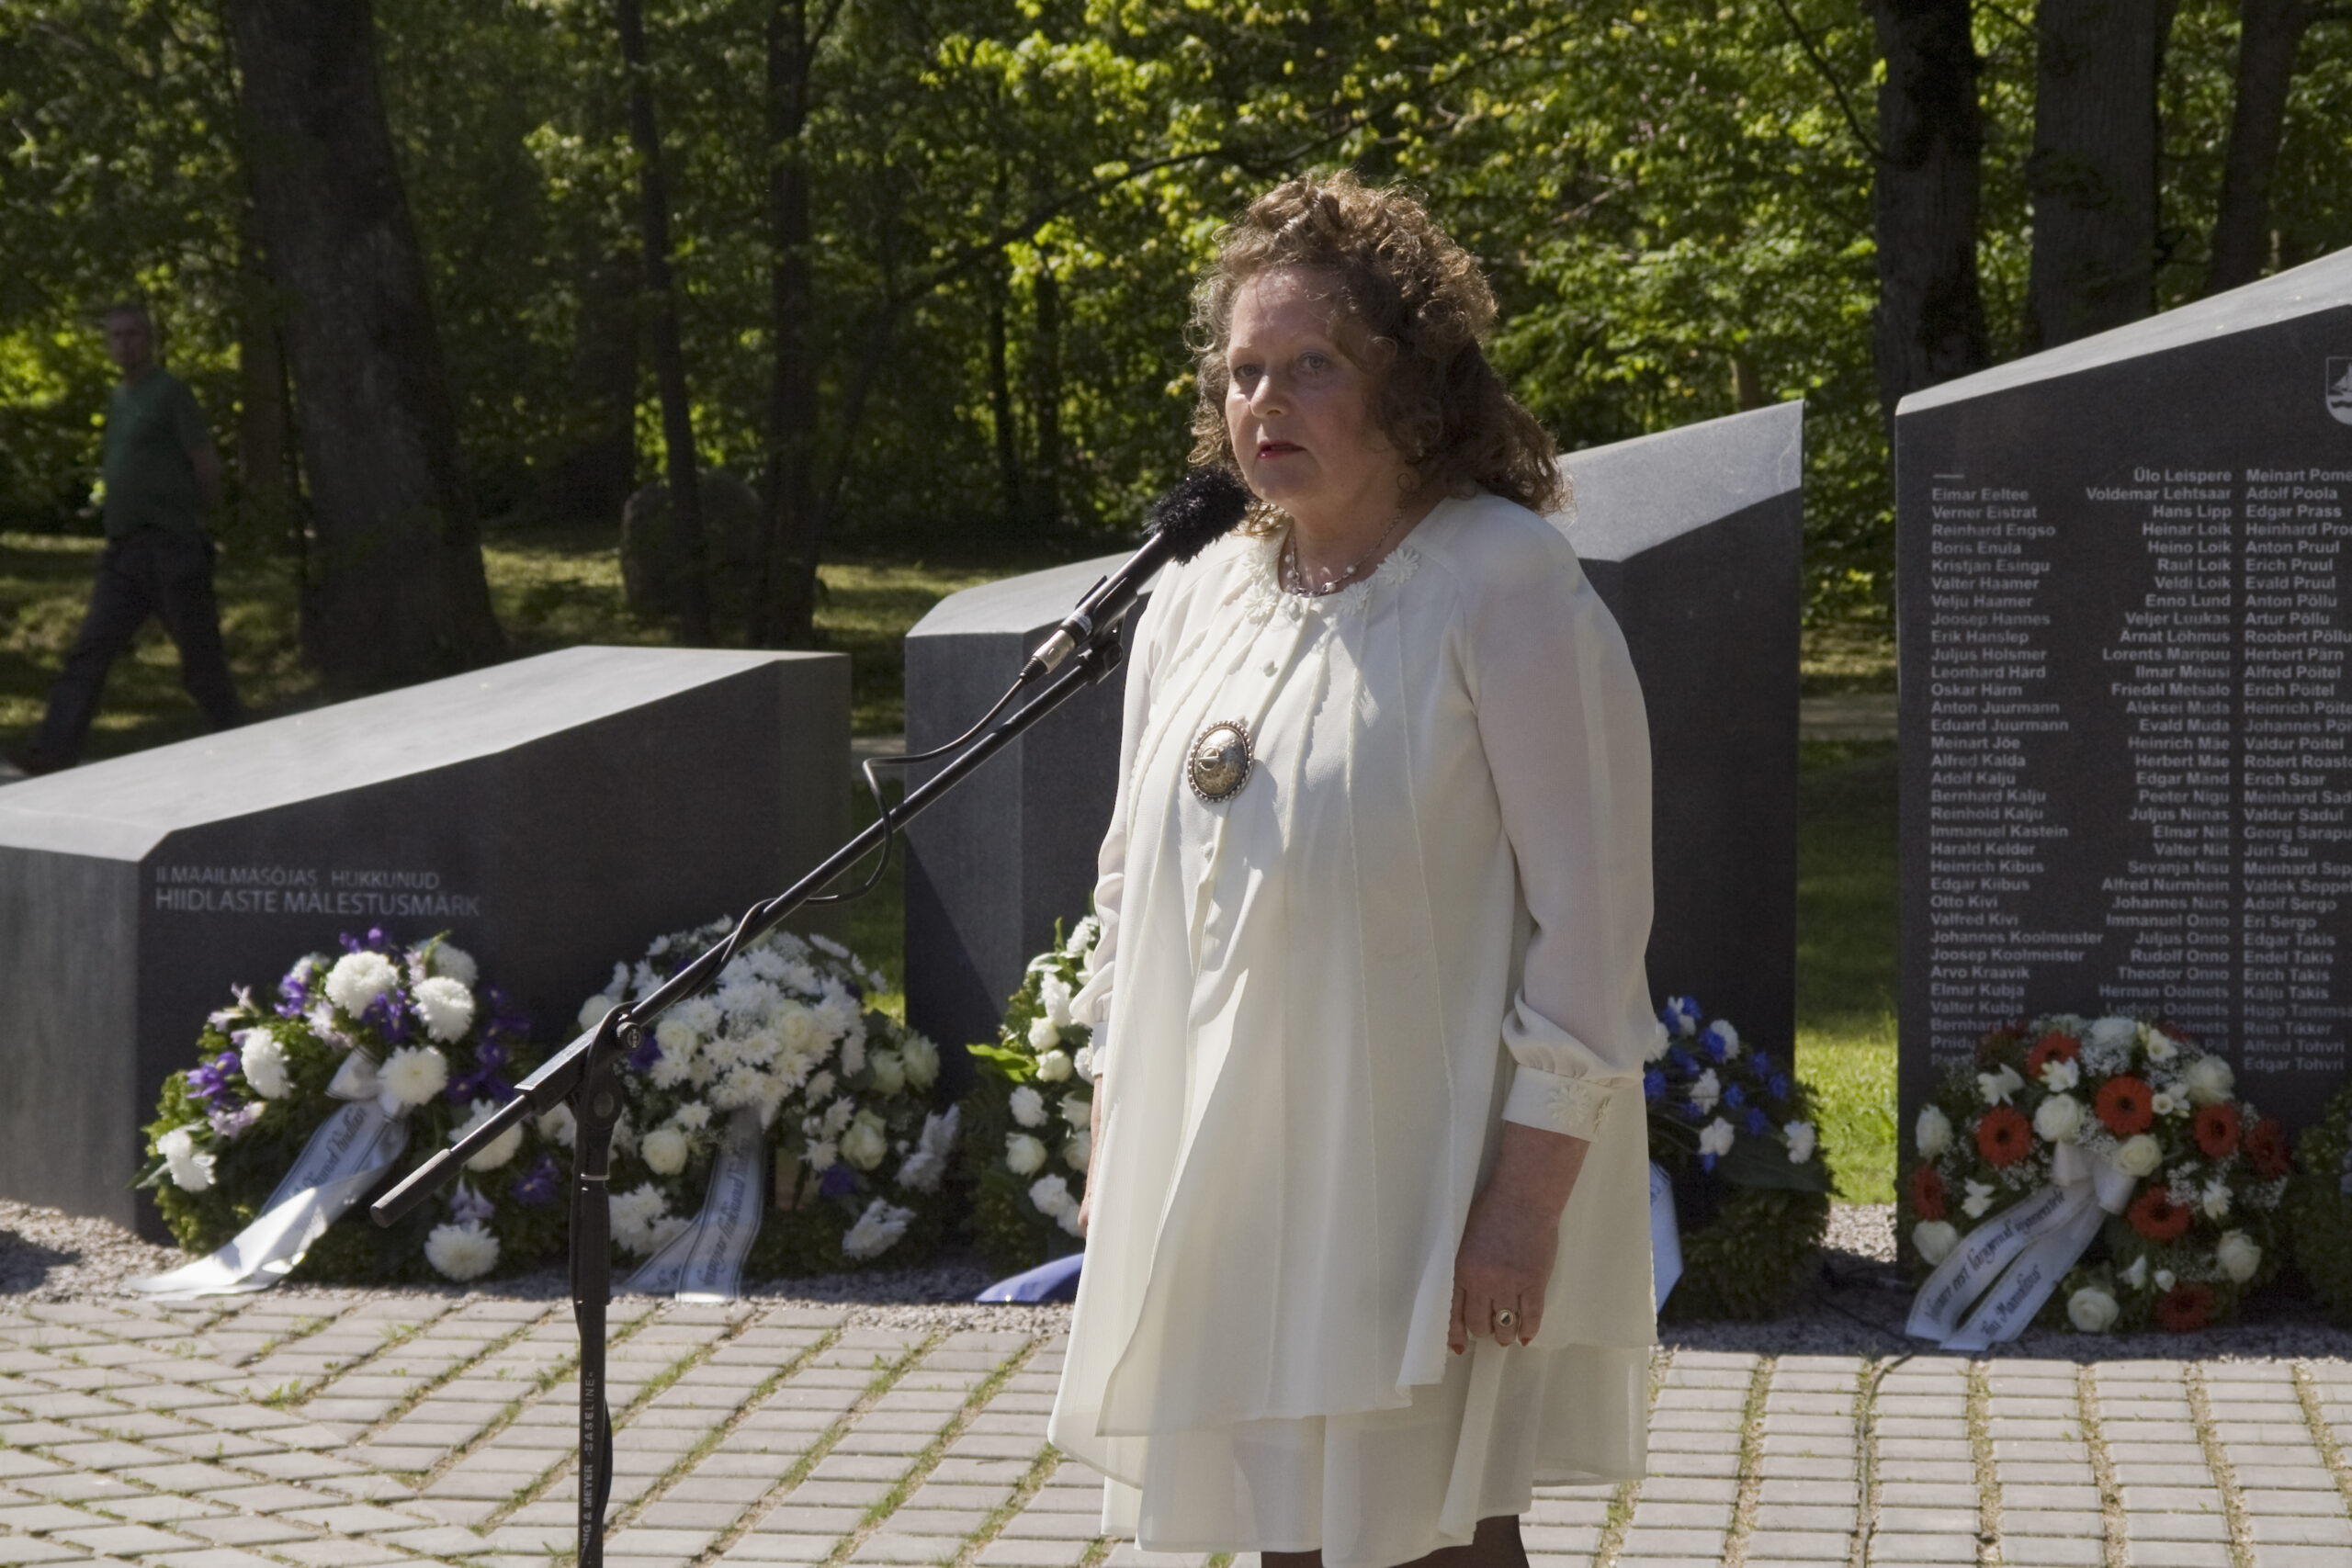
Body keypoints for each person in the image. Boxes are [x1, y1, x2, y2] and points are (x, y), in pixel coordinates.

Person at [1047, 172, 1659, 1568]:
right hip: (1236, 1177)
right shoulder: (1197, 591)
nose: (1264, 401)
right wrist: (1117, 1124)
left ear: (1410, 382)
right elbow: (1130, 885)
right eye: (1242, 371)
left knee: (1436, 1538)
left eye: (1312, 365)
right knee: (1287, 1536)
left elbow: (1592, 922)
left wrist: (1524, 1205)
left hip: (1421, 1178)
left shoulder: (1503, 582)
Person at [10, 302, 243, 775]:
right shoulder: (119, 398)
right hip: (125, 552)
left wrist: (198, 521)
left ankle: (241, 741)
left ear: (149, 340)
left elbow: (205, 463)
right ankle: (54, 751)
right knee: (90, 652)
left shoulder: (170, 393)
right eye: (116, 336)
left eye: (133, 334)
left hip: (171, 545)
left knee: (201, 661)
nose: (125, 344)